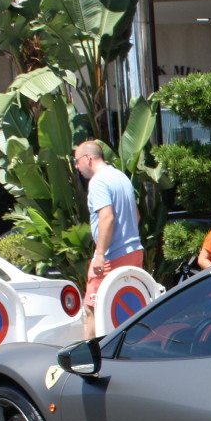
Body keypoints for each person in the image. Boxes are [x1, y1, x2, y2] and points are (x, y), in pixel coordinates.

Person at [73, 140, 142, 338]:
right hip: (134, 251)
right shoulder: (121, 177)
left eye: (77, 161)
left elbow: (107, 218)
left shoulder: (98, 181)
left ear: (88, 158)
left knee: (92, 309)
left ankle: (88, 361)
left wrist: (100, 255)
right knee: (127, 306)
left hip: (113, 255)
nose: (77, 167)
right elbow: (136, 215)